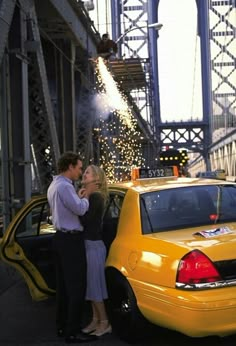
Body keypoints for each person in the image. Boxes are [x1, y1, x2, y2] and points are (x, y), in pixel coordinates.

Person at [47, 151, 97, 344]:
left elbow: (68, 207)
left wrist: (78, 197)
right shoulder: (65, 187)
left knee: (63, 287)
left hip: (60, 239)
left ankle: (62, 326)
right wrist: (88, 196)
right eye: (79, 167)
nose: (80, 171)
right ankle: (73, 332)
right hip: (71, 241)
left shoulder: (55, 185)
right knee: (76, 287)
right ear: (70, 167)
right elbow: (80, 209)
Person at [79, 165, 112, 337]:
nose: (84, 174)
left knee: (95, 286)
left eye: (88, 173)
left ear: (97, 179)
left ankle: (105, 322)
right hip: (89, 244)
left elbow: (85, 221)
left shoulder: (96, 197)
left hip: (94, 246)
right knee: (91, 286)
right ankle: (95, 319)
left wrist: (80, 200)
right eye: (84, 171)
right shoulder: (91, 196)